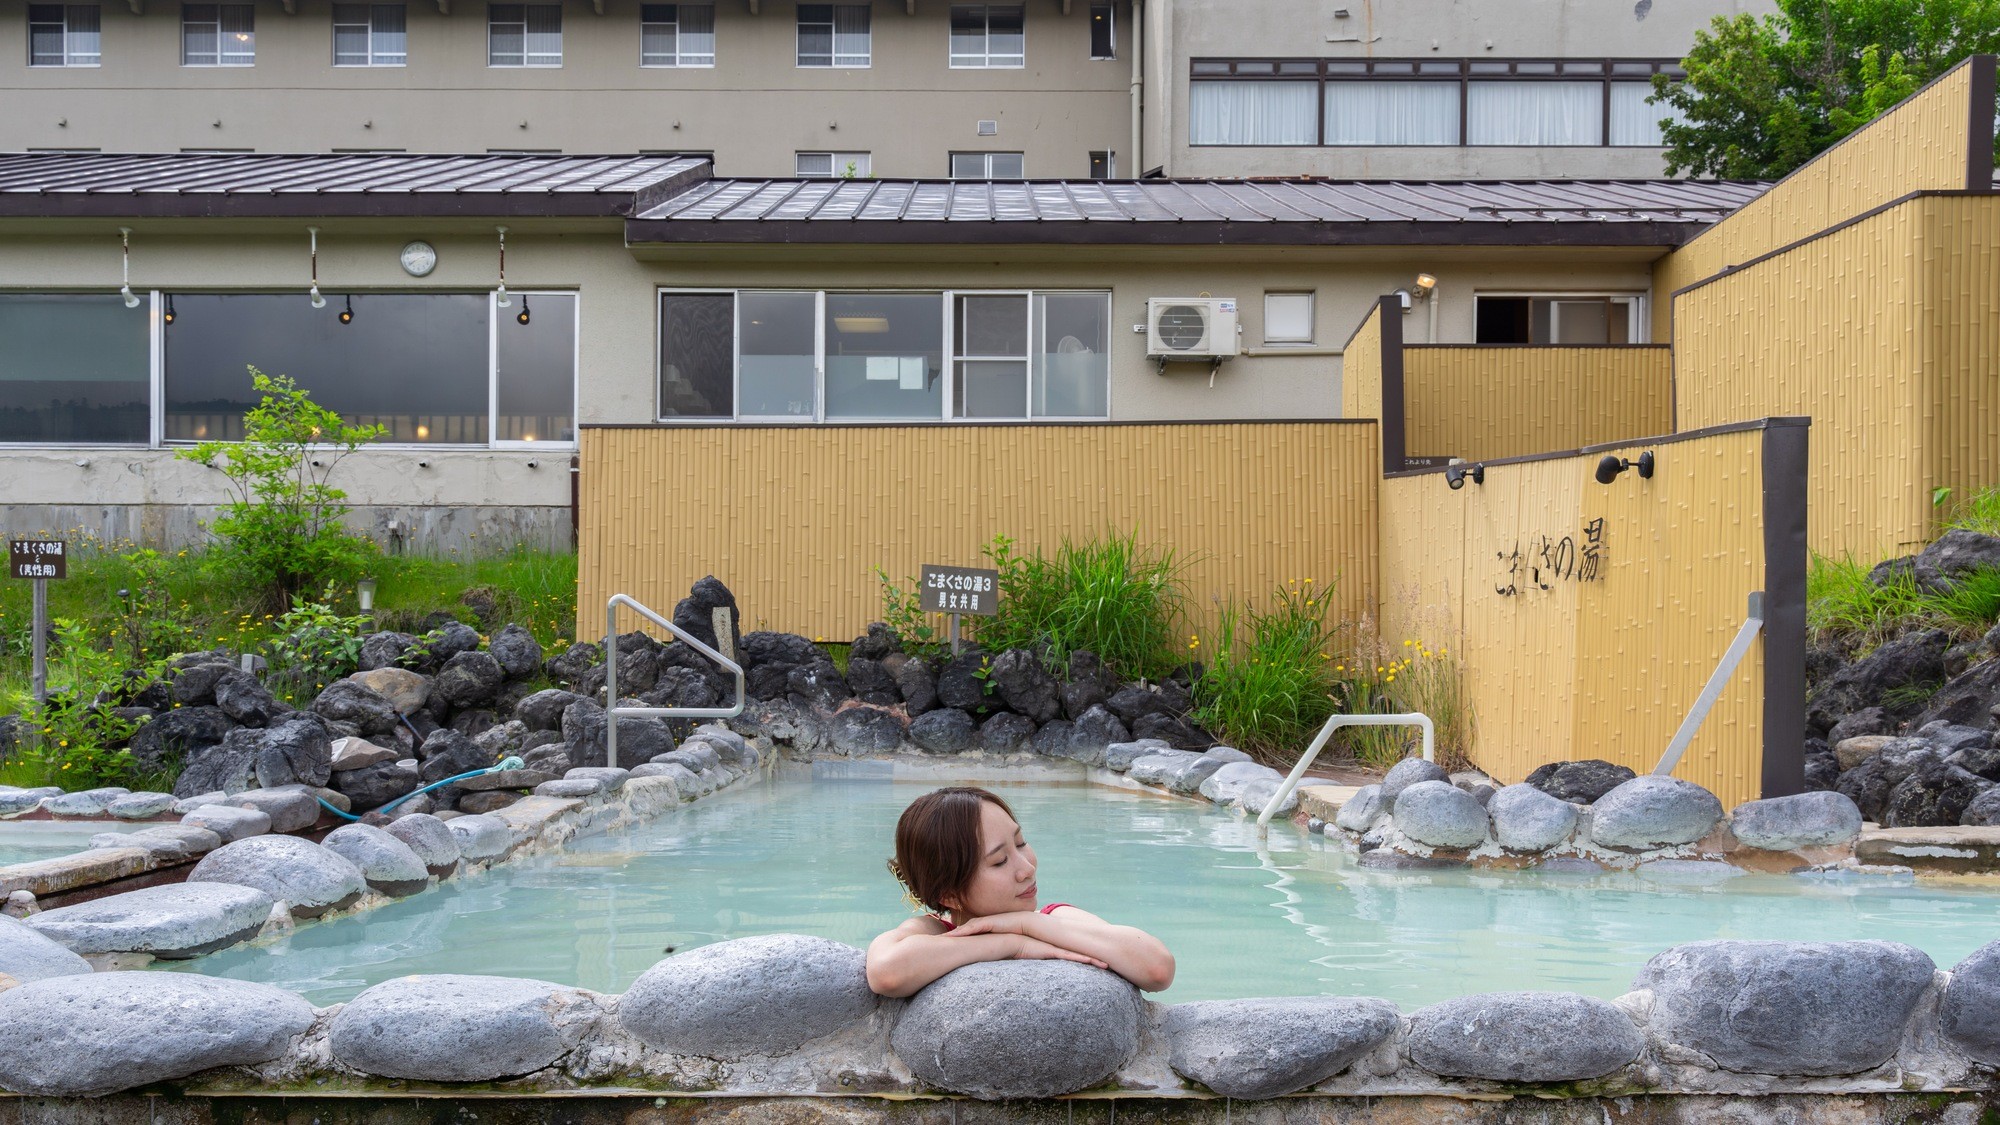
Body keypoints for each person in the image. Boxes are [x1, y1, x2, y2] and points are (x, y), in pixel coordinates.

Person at [864, 785, 1175, 998]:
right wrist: (1011, 943)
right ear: (949, 895)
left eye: (1021, 842)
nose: (1027, 867)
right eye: (999, 861)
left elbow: (1157, 969)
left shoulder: (1056, 918)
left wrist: (1029, 924)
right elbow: (885, 973)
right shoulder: (932, 930)